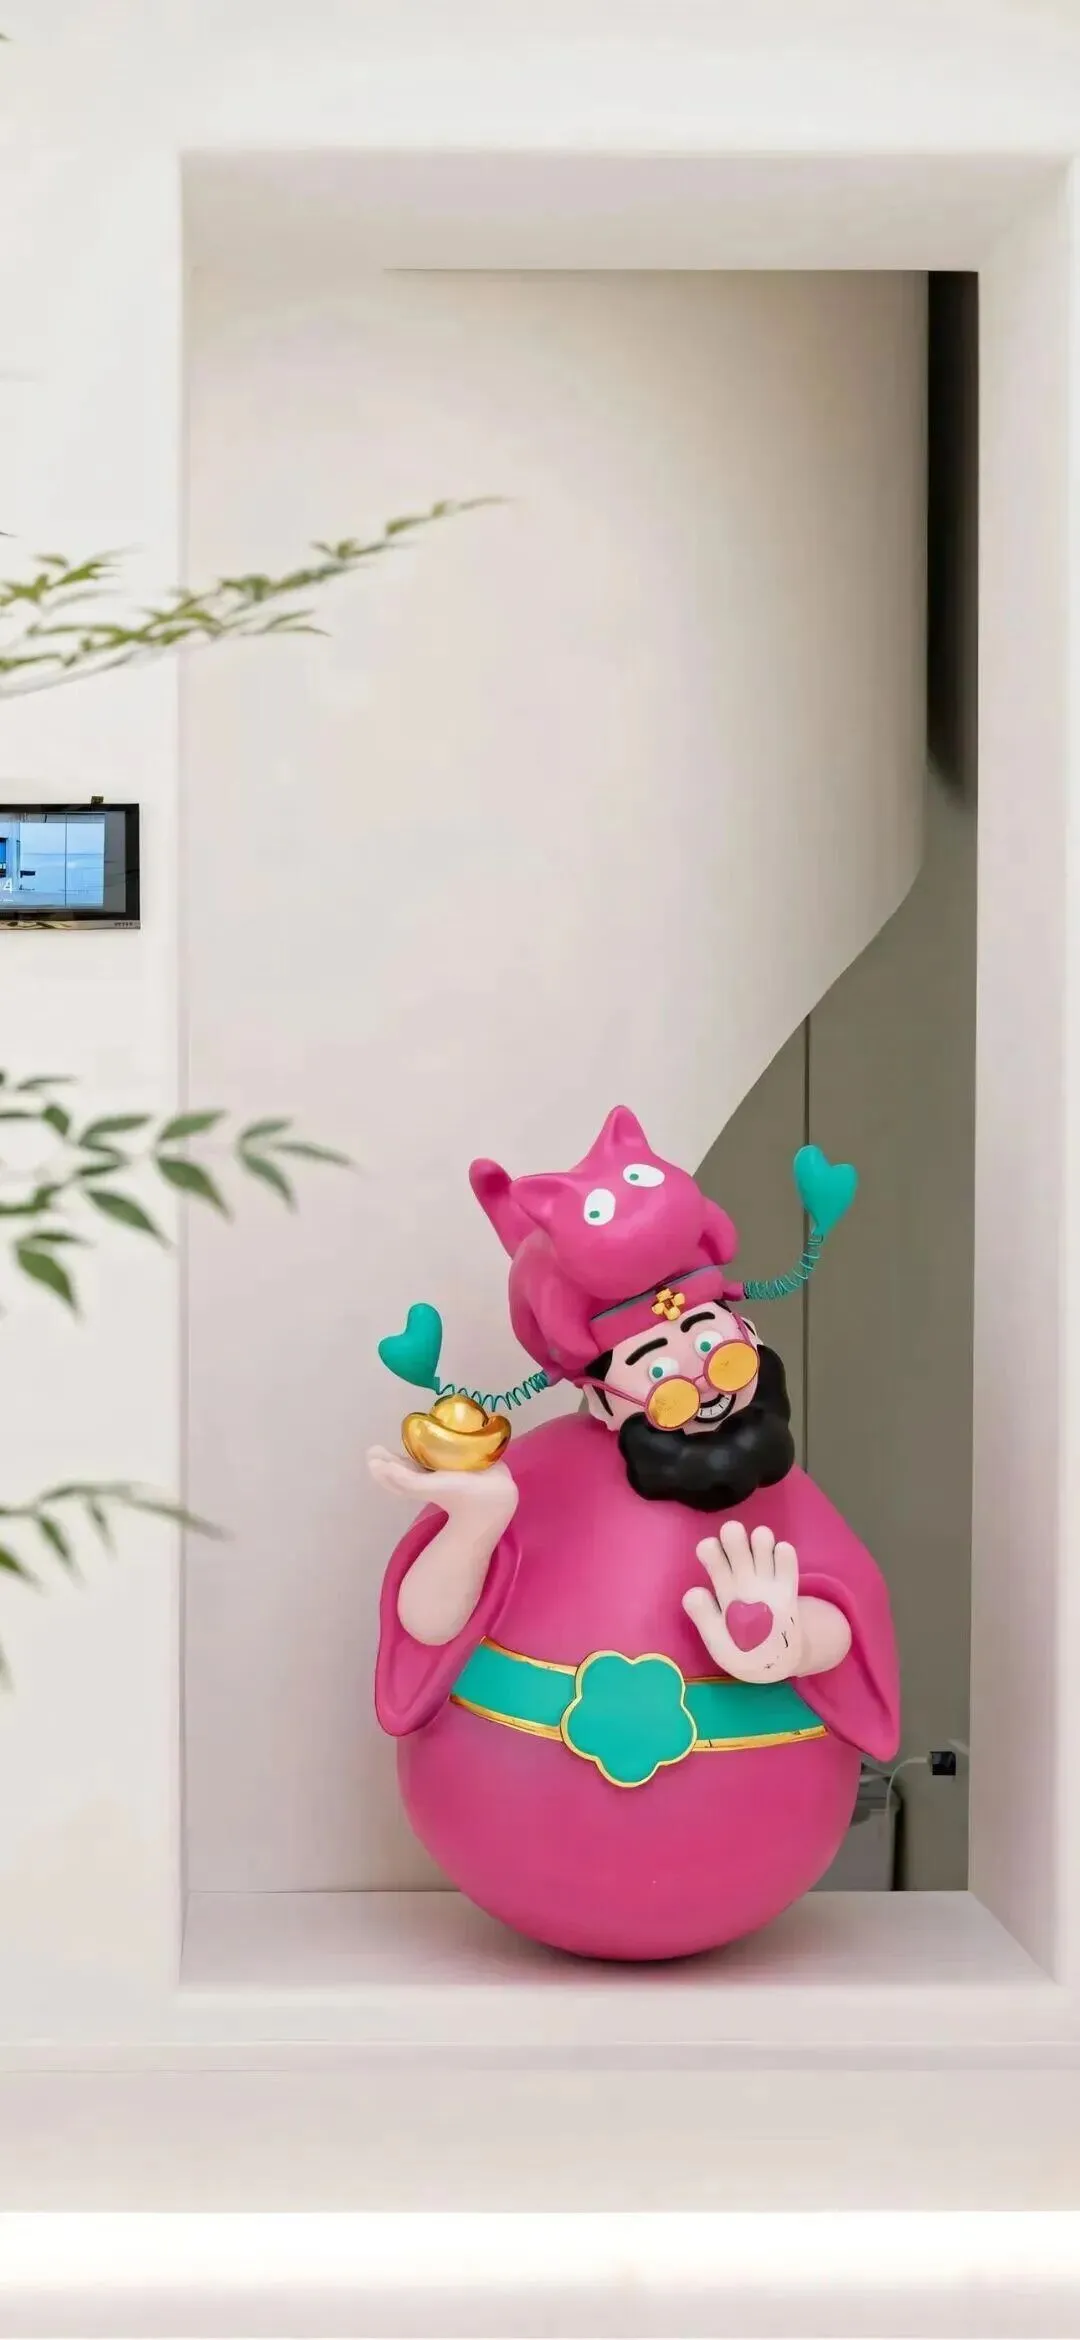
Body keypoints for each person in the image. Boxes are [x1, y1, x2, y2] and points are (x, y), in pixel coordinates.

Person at [369, 1107, 900, 1962]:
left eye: (714, 1342)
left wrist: (790, 1641)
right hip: (515, 1835)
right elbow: (428, 1631)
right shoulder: (537, 1479)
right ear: (598, 1390)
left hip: (748, 1842)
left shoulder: (769, 1485)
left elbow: (849, 1609)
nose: (706, 1380)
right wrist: (473, 1527)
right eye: (661, 1370)